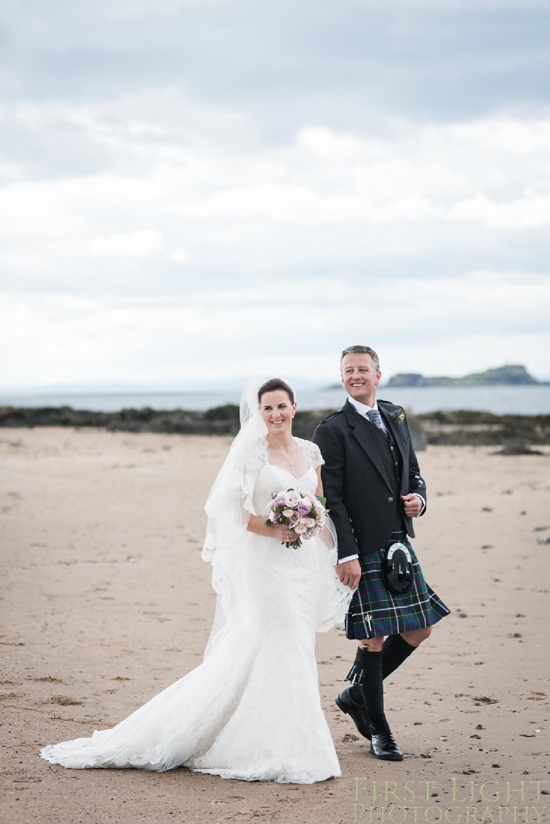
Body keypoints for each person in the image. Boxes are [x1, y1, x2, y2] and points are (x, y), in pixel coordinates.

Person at [41, 378, 352, 784]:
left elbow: (321, 504)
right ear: (259, 414)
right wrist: (277, 529)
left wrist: (330, 548)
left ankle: (286, 737)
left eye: (281, 406)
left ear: (295, 407)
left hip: (299, 566)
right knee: (281, 640)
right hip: (266, 565)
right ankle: (281, 747)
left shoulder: (310, 452)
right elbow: (237, 515)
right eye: (267, 408)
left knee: (292, 643)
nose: (275, 415)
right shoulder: (252, 453)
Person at [313, 345, 450, 762]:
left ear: (378, 374)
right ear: (342, 379)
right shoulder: (332, 430)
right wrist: (346, 555)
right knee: (372, 640)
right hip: (363, 546)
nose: (356, 375)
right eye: (348, 371)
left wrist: (419, 501)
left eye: (363, 369)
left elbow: (413, 472)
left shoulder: (396, 414)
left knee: (419, 629)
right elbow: (332, 500)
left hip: (398, 544)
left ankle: (355, 695)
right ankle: (380, 729)